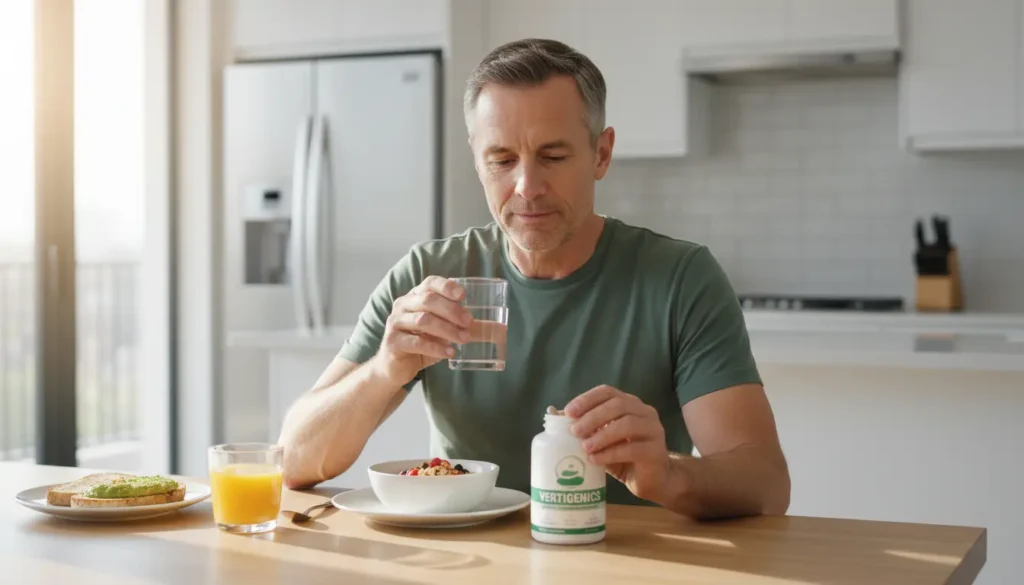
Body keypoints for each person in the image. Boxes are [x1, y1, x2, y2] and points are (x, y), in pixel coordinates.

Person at [277, 38, 790, 519]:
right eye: (501, 159)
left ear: (601, 154)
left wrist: (670, 474)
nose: (527, 187)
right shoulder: (428, 276)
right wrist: (383, 371)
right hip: (469, 563)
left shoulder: (680, 279)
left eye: (553, 156)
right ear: (478, 161)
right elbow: (293, 460)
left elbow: (766, 484)